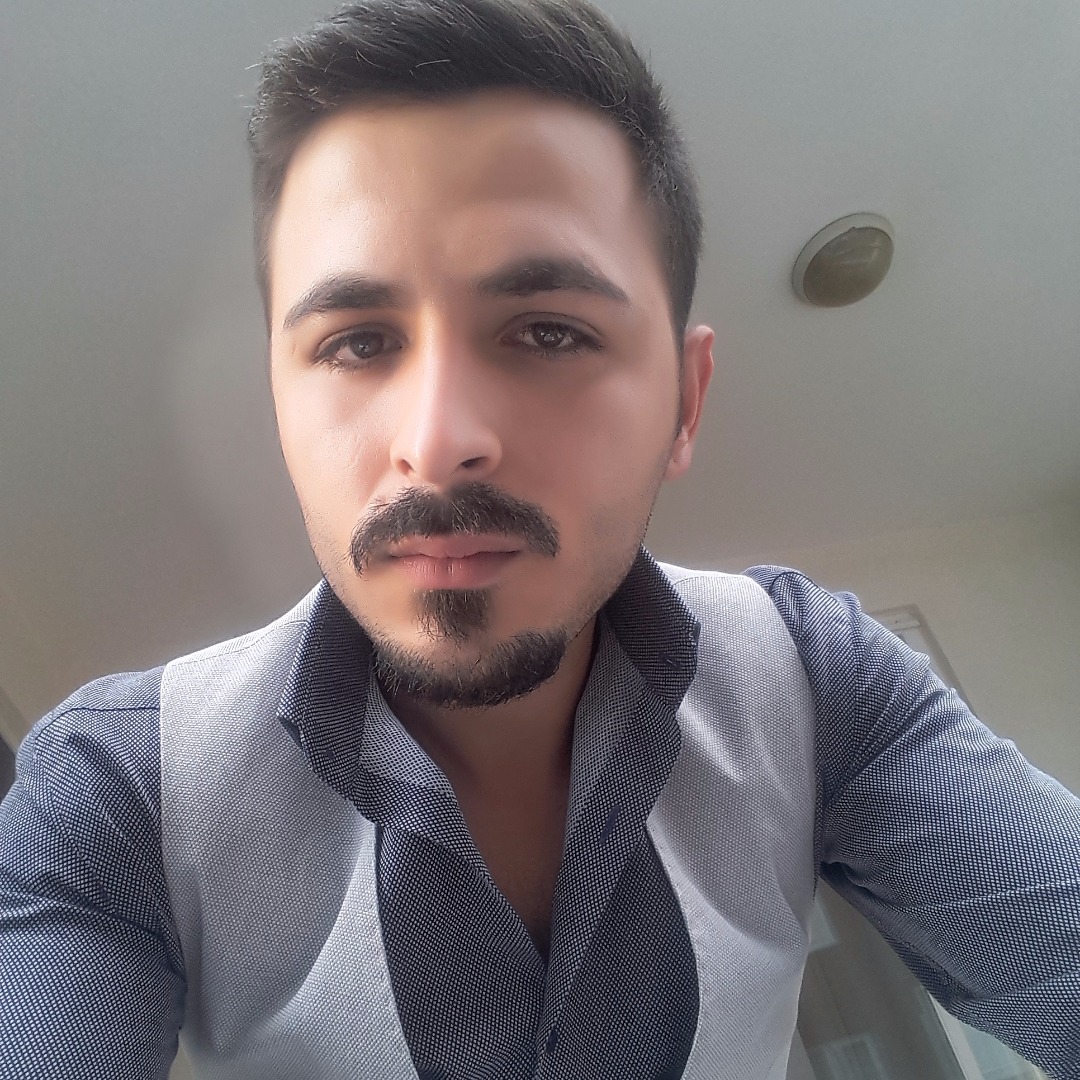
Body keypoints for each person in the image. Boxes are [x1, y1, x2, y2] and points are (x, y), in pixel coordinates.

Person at [1, 0, 1077, 1077]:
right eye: (358, 342)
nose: (437, 442)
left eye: (550, 331)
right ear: (280, 406)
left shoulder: (816, 683)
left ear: (686, 403)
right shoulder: (116, 792)